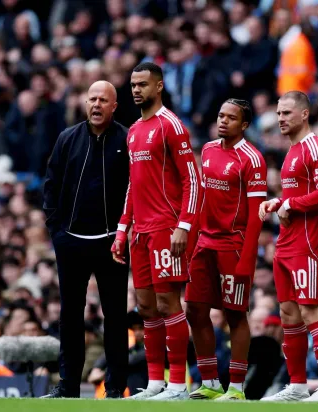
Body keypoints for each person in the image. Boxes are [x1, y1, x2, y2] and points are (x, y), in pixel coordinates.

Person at [111, 62, 200, 401]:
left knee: (167, 303)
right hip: (141, 232)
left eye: (143, 84)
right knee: (146, 307)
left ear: (159, 86)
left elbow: (192, 179)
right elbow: (134, 185)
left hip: (166, 227)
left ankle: (178, 384)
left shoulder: (171, 126)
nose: (136, 90)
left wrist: (184, 225)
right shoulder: (133, 130)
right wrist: (123, 230)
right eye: (133, 84)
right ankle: (155, 383)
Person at [42, 81, 130, 398]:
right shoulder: (67, 138)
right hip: (72, 242)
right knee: (70, 316)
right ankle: (67, 386)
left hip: (112, 243)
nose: (96, 104)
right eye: (91, 98)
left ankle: (117, 386)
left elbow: (134, 190)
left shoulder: (126, 139)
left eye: (103, 100)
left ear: (114, 105)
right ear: (84, 102)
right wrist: (57, 231)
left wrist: (125, 231)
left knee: (116, 317)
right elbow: (50, 185)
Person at [258, 91, 318, 402]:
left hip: (307, 244)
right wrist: (278, 201)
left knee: (311, 312)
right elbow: (301, 194)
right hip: (286, 243)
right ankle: (297, 386)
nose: (281, 118)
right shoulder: (292, 150)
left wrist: (289, 202)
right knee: (288, 314)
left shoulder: (316, 149)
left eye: (287, 113)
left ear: (304, 114)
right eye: (279, 113)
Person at [185, 99, 267, 401]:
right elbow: (200, 200)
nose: (223, 121)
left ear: (244, 125)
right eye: (220, 115)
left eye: (231, 118)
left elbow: (257, 215)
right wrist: (191, 243)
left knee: (235, 314)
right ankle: (209, 382)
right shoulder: (207, 150)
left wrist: (248, 259)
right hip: (204, 243)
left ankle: (236, 387)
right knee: (194, 309)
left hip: (233, 246)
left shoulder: (253, 158)